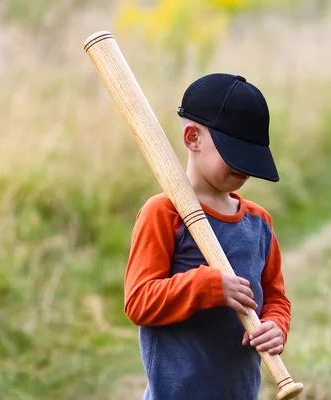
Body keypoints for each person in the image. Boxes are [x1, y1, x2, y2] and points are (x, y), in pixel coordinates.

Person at [123, 73, 292, 400]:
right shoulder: (164, 213)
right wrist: (206, 287)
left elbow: (276, 298)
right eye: (235, 152)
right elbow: (139, 301)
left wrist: (276, 326)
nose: (245, 167)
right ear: (193, 137)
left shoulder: (259, 223)